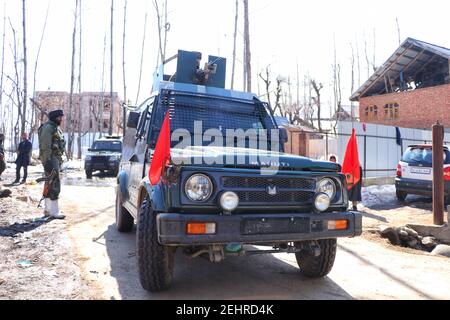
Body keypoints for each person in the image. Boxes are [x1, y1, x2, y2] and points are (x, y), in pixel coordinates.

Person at [38, 110, 66, 219]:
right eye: (59, 117)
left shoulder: (55, 127)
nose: (61, 119)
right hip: (50, 158)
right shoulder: (48, 127)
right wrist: (47, 161)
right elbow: (45, 145)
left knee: (50, 183)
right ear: (54, 117)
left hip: (55, 158)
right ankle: (54, 211)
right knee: (54, 183)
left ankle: (48, 210)